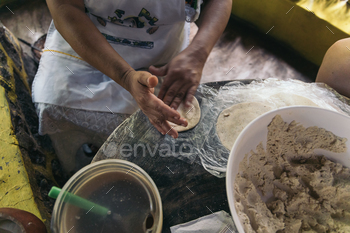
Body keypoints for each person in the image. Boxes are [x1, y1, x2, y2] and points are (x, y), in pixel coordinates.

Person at [32, 0, 232, 172]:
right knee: (54, 102)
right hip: (85, 42)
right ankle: (88, 156)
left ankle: (125, 159)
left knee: (163, 127)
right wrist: (126, 77)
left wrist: (198, 52)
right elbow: (65, 6)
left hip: (160, 53)